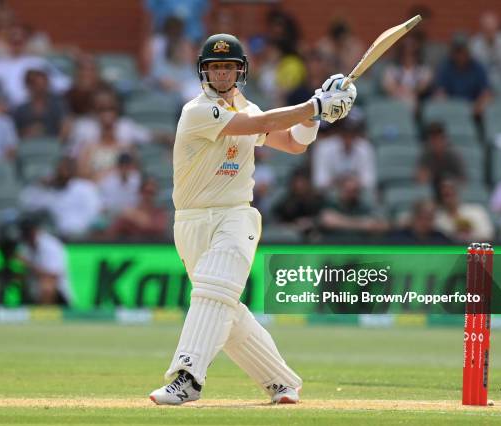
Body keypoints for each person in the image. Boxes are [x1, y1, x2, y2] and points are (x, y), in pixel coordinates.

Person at [149, 33, 356, 405]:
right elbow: (253, 124)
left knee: (213, 292)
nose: (223, 74)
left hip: (236, 217)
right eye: (215, 67)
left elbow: (293, 143)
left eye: (229, 67)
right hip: (191, 222)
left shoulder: (249, 109)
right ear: (204, 72)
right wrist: (315, 106)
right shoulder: (196, 111)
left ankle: (187, 377)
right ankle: (281, 381)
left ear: (241, 71)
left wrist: (317, 119)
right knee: (222, 305)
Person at [18, 215, 72, 305]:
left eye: (28, 232)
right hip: (32, 285)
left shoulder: (51, 245)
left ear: (35, 230)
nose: (26, 235)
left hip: (58, 294)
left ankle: (44, 315)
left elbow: (53, 275)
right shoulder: (24, 246)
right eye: (24, 232)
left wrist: (27, 264)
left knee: (46, 285)